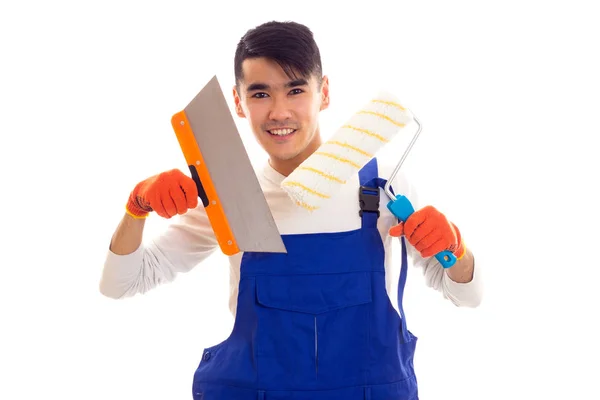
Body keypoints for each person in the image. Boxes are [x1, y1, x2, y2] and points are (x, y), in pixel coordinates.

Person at [100, 20, 483, 400]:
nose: (279, 112)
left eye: (296, 90)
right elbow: (121, 283)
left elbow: (468, 295)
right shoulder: (230, 198)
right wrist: (136, 210)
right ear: (238, 101)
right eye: (261, 94)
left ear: (324, 93)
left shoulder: (382, 189)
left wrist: (457, 250)